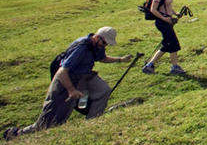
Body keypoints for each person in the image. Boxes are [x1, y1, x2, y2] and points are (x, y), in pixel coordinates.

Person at [4, 27, 132, 139]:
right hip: (65, 81)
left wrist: (120, 60)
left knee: (103, 90)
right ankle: (18, 134)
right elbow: (62, 72)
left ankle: (92, 123)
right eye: (104, 43)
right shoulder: (81, 48)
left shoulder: (97, 46)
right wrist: (71, 90)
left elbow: (102, 58)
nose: (105, 46)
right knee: (50, 120)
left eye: (106, 44)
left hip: (84, 76)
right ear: (97, 37)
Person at [142, 0, 185, 75]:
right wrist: (164, 18)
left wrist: (175, 13)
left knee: (166, 45)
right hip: (162, 23)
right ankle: (175, 66)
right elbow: (153, 9)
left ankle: (150, 65)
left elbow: (168, 6)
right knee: (173, 43)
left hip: (168, 21)